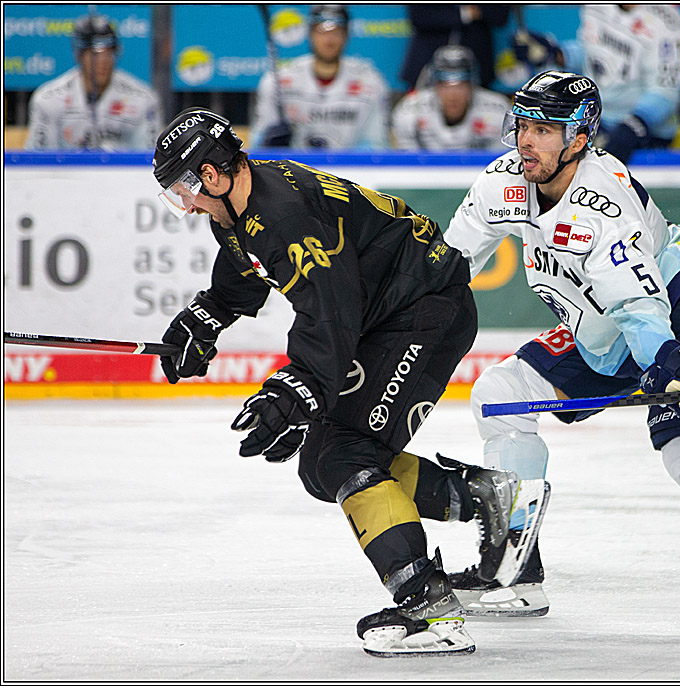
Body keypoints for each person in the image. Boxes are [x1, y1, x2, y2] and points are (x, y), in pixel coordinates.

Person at [150, 107, 547, 656]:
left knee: (343, 454)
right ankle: (492, 501)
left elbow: (330, 312)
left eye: (184, 187)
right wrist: (208, 315)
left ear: (211, 176)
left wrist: (299, 388)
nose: (187, 201)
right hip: (389, 314)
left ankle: (427, 605)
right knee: (322, 464)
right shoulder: (246, 202)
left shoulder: (283, 214)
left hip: (421, 313)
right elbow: (249, 266)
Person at [441, 70, 680, 639]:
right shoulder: (504, 183)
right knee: (499, 396)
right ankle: (513, 567)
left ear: (580, 138)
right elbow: (449, 265)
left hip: (678, 307)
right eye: (523, 125)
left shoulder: (602, 203)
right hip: (598, 328)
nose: (526, 141)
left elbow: (639, 305)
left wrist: (666, 361)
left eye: (545, 129)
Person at [522, 5, 680, 164]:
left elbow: (666, 92)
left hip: (646, 132)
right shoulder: (595, 6)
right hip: (597, 120)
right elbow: (590, 52)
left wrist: (631, 127)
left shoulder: (667, 20)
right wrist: (558, 54)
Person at [250, 5, 390, 149]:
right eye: (321, 31)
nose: (329, 40)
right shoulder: (277, 81)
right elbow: (257, 144)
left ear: (347, 35)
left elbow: (377, 146)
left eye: (336, 32)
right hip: (292, 168)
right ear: (310, 33)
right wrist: (269, 143)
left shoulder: (370, 83)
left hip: (348, 169)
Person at [26, 14, 161, 150]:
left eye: (108, 53)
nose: (102, 62)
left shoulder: (143, 99)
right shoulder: (48, 99)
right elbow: (39, 159)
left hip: (123, 171)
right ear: (79, 55)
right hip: (64, 171)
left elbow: (147, 158)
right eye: (94, 54)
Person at [391, 45, 509, 150]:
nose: (453, 95)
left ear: (473, 86)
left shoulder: (499, 110)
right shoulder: (410, 110)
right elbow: (407, 165)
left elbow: (501, 164)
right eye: (445, 85)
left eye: (461, 85)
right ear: (434, 86)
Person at [399, 5, 511, 90]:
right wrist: (464, 14)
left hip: (478, 68)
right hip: (427, 66)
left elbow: (500, 16)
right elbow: (419, 16)